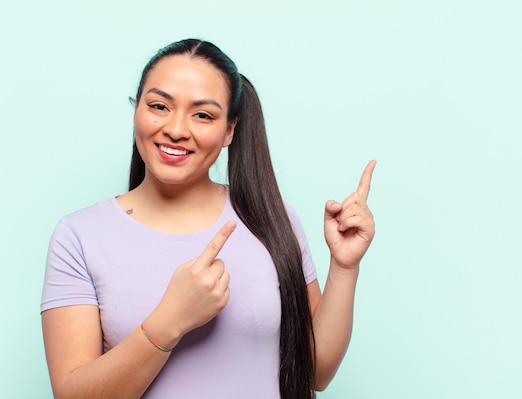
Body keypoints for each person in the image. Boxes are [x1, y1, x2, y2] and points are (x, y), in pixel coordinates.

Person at [41, 38, 376, 399]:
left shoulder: (270, 217)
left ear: (230, 130)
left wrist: (344, 268)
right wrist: (169, 322)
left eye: (202, 114)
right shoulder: (79, 236)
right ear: (136, 109)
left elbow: (317, 372)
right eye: (159, 106)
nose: (176, 129)